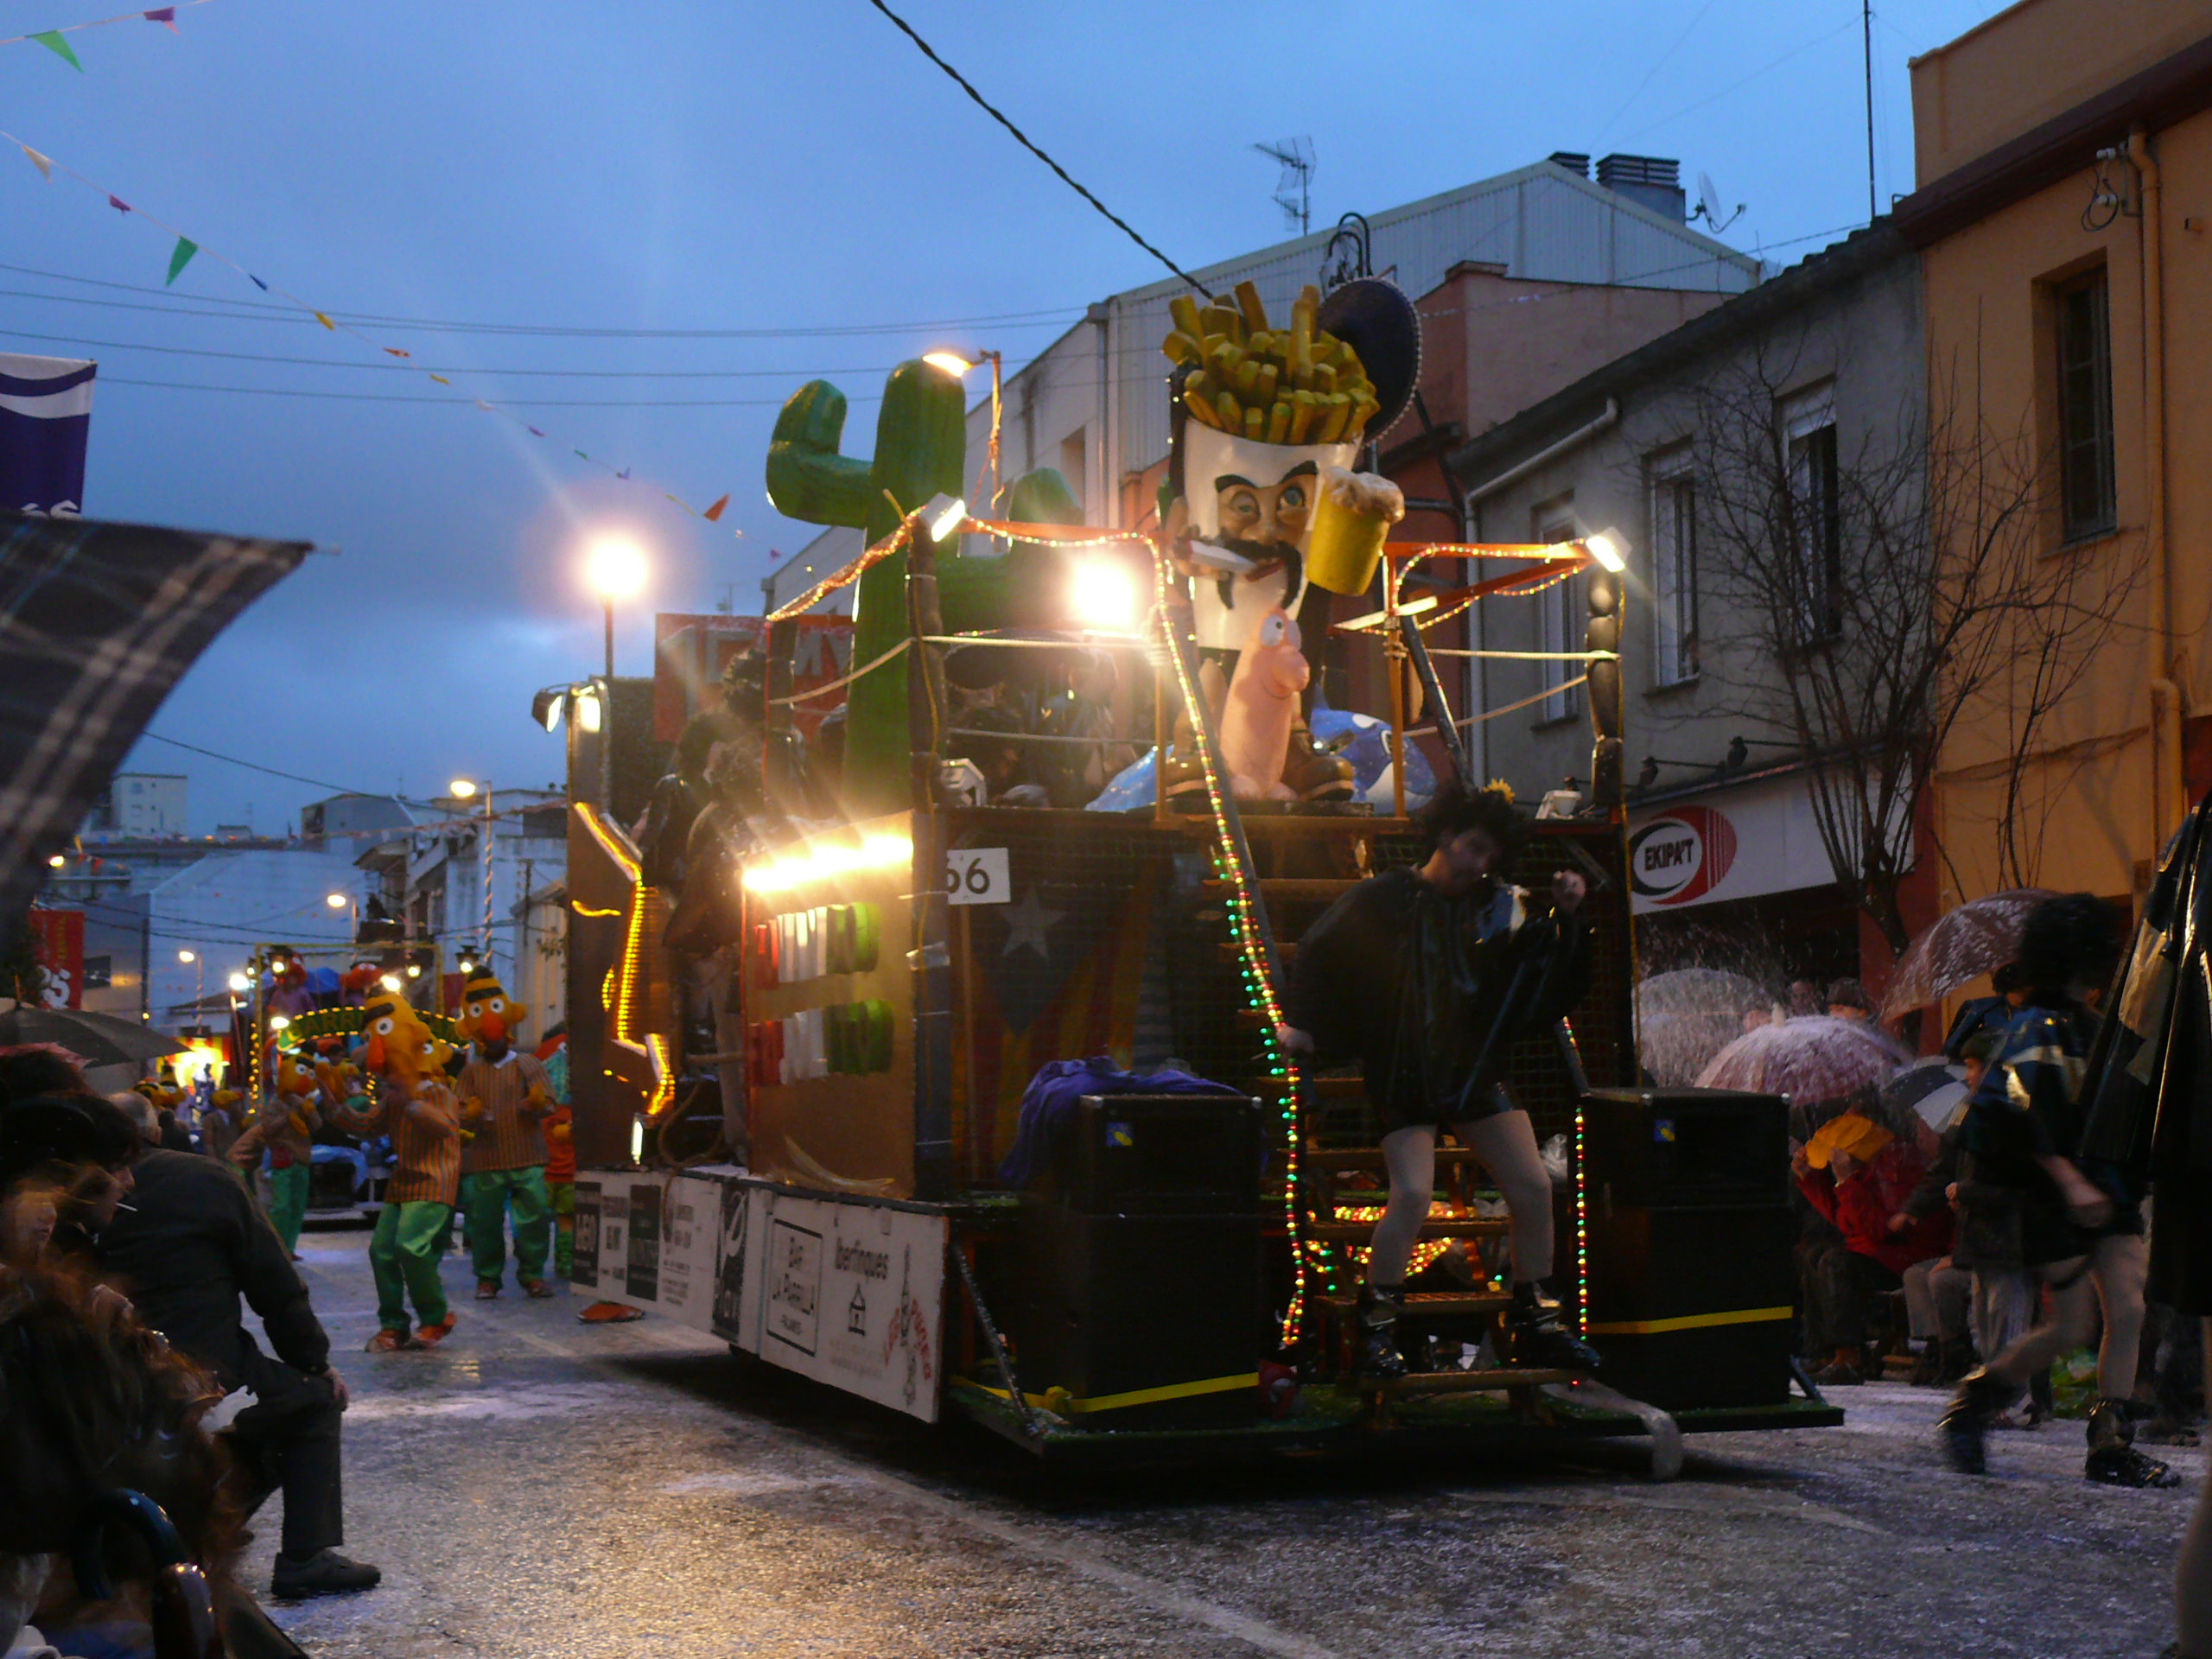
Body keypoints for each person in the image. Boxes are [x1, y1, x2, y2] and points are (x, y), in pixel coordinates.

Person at [1279, 779, 1600, 1378]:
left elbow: (1541, 959)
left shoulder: (1495, 903)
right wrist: (1300, 1024)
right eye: (1474, 848)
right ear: (1446, 835)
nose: (1480, 864)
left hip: (1475, 1066)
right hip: (1406, 1067)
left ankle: (1539, 1324)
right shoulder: (1384, 897)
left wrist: (1568, 914)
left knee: (1532, 1188)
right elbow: (1319, 948)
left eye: (1490, 855)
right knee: (1412, 1194)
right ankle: (1377, 1332)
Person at [1939, 893, 2173, 1485]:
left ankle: (2109, 1444)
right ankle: (1976, 1399)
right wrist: (2070, 1182)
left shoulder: (2097, 1027)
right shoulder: (2036, 1029)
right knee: (2074, 1327)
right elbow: (2016, 1114)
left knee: (2128, 1308)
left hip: (2105, 1188)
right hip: (2057, 1196)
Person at [94, 1122, 381, 1601]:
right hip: (204, 1373)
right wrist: (313, 1362)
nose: (127, 1184)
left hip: (107, 1377)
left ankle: (203, 1527)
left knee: (252, 1414)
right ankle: (302, 1557)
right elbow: (275, 1286)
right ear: (154, 1130)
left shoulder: (67, 1203)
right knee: (313, 1402)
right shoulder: (202, 1180)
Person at [327, 995, 462, 1350]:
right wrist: (332, 1105)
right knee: (381, 1251)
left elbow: (448, 1129)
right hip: (402, 1182)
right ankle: (393, 1324)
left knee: (411, 1248)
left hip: (435, 1179)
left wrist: (414, 1104)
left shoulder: (436, 1090)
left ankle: (435, 1316)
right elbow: (368, 1126)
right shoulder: (391, 1097)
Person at [1794, 1109, 1948, 1383]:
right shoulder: (1871, 1165)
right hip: (1877, 1252)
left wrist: (1845, 1181)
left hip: (1905, 1255)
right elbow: (1846, 1222)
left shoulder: (1899, 1165)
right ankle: (1825, 1352)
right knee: (1814, 1256)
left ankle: (1849, 1356)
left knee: (1835, 1262)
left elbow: (1878, 1229)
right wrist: (1813, 1181)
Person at [452, 979, 557, 1300]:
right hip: (487, 1159)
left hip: (528, 1155)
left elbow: (549, 1103)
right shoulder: (471, 1072)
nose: (492, 1042)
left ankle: (533, 1275)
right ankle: (487, 1277)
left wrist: (536, 1106)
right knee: (485, 1222)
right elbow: (457, 1110)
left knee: (534, 1219)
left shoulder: (528, 1064)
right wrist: (470, 1114)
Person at [227, 1060, 321, 1258]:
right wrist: (289, 1113)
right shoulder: (274, 1106)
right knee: (281, 1207)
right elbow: (269, 1128)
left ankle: (289, 1248)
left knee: (297, 1207)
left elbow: (317, 1125)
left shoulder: (306, 1107)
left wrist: (307, 1109)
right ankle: (274, 1248)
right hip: (283, 1162)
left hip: (303, 1161)